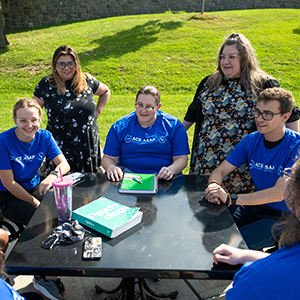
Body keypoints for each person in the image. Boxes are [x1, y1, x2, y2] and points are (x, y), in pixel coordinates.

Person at [183, 33, 299, 194]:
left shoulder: (263, 83)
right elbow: (190, 116)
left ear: (245, 58)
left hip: (244, 169)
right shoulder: (209, 83)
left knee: (238, 212)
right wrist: (169, 142)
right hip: (205, 164)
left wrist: (292, 158)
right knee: (203, 210)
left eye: (231, 57)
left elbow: (290, 114)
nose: (225, 62)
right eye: (222, 57)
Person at [204, 87, 300, 250]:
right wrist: (214, 186)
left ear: (285, 116)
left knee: (234, 246)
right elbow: (219, 171)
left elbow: (279, 193)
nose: (260, 119)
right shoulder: (251, 140)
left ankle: (245, 274)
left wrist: (230, 198)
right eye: (257, 112)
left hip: (287, 217)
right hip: (256, 206)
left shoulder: (296, 147)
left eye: (268, 114)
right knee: (209, 229)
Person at [212, 157, 300, 299]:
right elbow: (289, 261)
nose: (284, 175)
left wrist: (230, 198)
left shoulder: (253, 281)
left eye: (290, 173)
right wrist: (246, 255)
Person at [33, 45, 111, 174]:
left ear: (76, 64)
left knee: (90, 186)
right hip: (60, 144)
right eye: (61, 64)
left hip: (87, 143)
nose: (67, 68)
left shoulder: (87, 80)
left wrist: (97, 112)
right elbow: (34, 109)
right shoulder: (46, 84)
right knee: (60, 186)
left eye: (70, 63)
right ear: (55, 65)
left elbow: (105, 92)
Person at [0, 98, 70, 226]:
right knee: (41, 219)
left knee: (63, 207)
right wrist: (33, 202)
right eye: (23, 121)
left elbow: (64, 164)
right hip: (6, 193)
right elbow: (9, 183)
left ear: (40, 118)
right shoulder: (3, 141)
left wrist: (51, 177)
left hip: (33, 185)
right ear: (15, 120)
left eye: (33, 120)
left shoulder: (45, 137)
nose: (29, 125)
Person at [102, 85, 190, 181]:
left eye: (149, 107)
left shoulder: (174, 126)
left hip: (163, 177)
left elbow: (181, 158)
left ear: (158, 107)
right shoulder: (120, 126)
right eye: (139, 105)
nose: (143, 111)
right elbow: (108, 158)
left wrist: (171, 170)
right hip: (128, 176)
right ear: (135, 102)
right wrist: (111, 167)